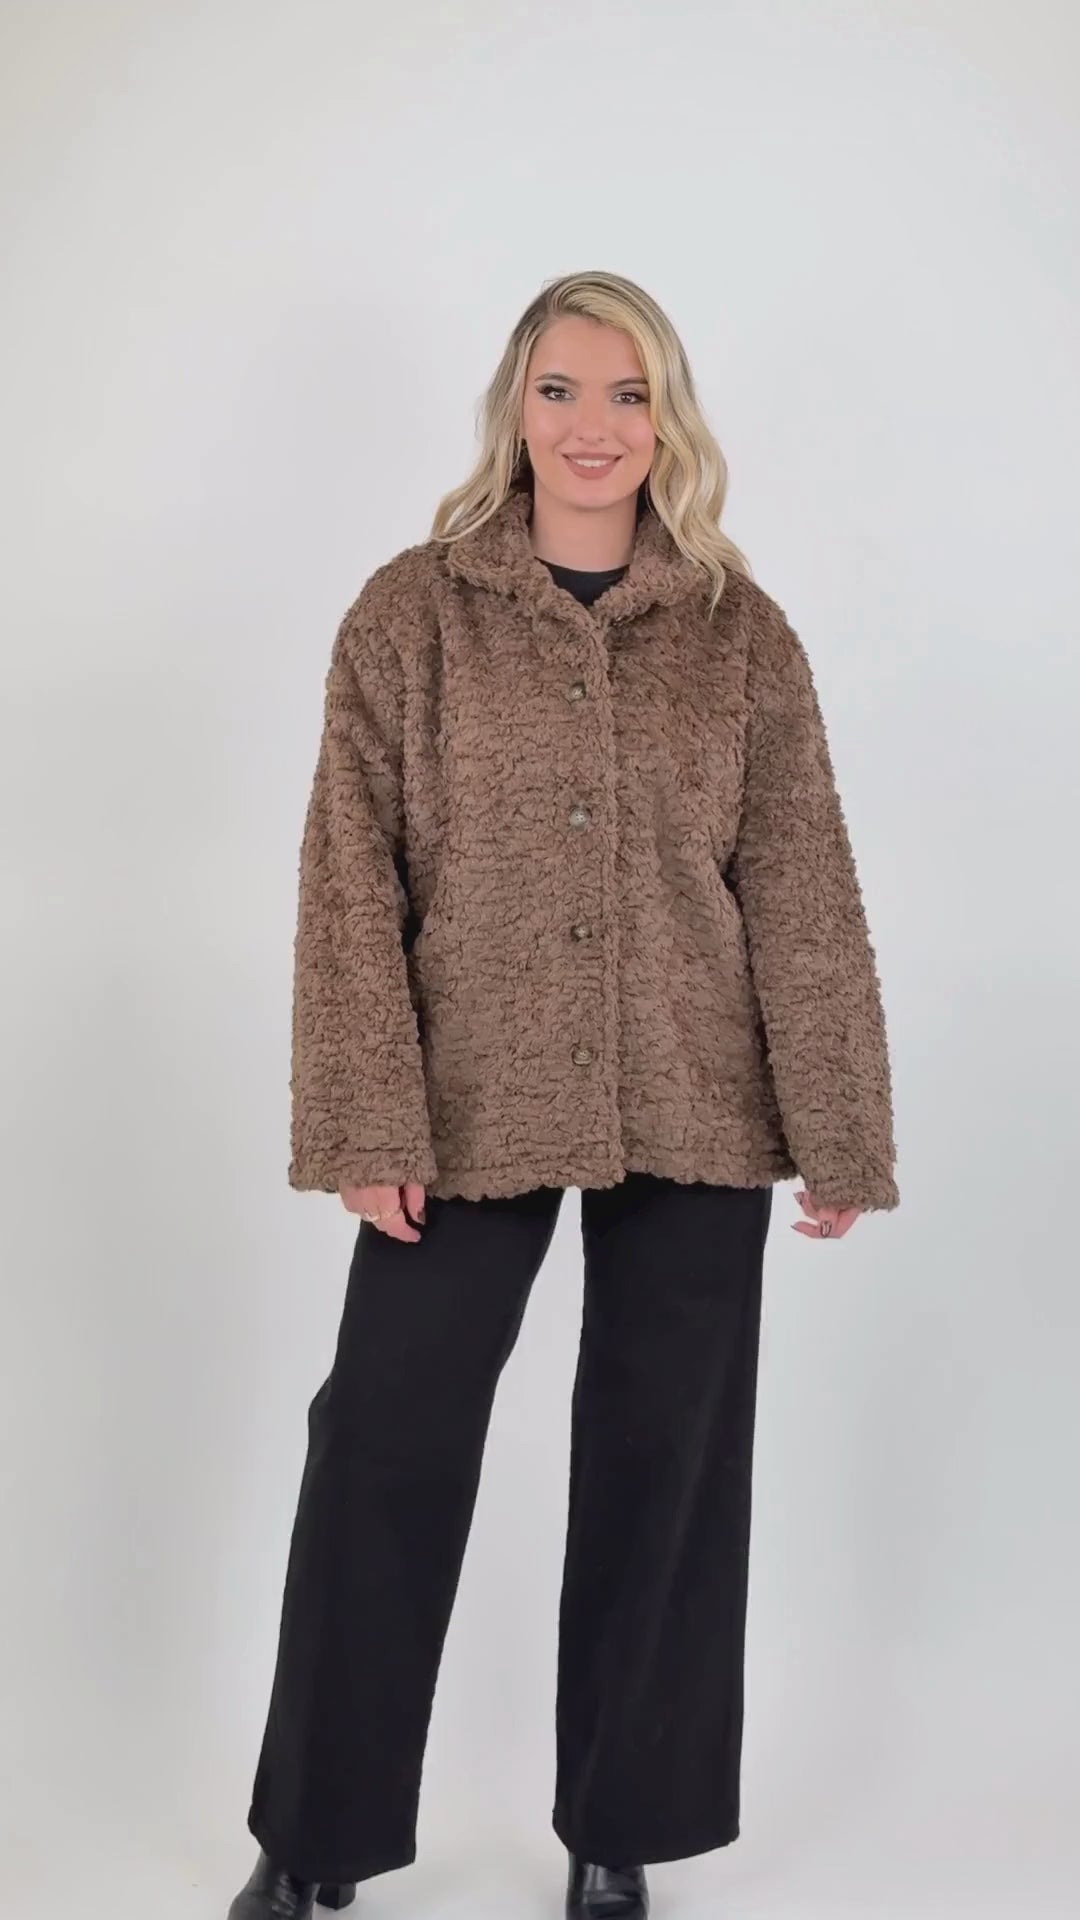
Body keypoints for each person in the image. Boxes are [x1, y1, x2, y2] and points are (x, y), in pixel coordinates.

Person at [226, 270, 900, 1920]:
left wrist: (839, 1127)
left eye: (627, 393)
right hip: (462, 1098)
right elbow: (348, 879)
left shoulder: (742, 633)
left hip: (697, 1090)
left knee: (666, 1464)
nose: (593, 426)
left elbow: (801, 886)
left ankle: (621, 1829)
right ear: (513, 412)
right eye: (560, 391)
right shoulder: (413, 615)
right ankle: (314, 1838)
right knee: (382, 1441)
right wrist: (366, 1121)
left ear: (669, 420)